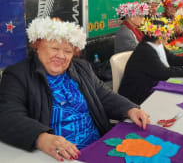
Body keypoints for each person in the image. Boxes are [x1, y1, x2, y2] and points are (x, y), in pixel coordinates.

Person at [0, 17, 150, 161]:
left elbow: (103, 94)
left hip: (98, 144)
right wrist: (41, 138)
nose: (61, 56)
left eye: (68, 51)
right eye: (54, 48)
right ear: (37, 46)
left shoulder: (81, 68)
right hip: (57, 155)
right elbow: (8, 116)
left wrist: (130, 109)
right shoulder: (18, 75)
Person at [118, 18, 183, 105]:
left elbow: (174, 59)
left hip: (149, 85)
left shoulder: (156, 45)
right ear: (160, 36)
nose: (168, 37)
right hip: (135, 95)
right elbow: (164, 73)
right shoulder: (145, 50)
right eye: (166, 34)